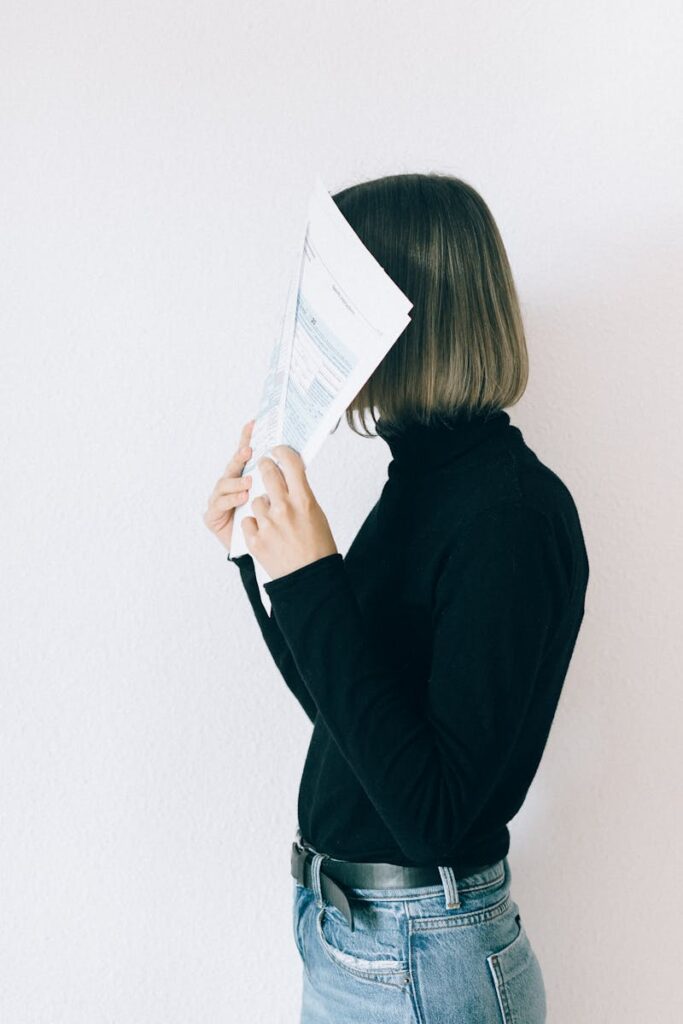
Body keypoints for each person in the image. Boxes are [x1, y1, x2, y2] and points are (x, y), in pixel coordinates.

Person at [203, 172, 589, 1023]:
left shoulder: (509, 515)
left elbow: (435, 818)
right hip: (363, 941)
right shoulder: (422, 484)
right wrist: (264, 560)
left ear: (413, 316)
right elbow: (346, 720)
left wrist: (311, 579)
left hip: (418, 957)